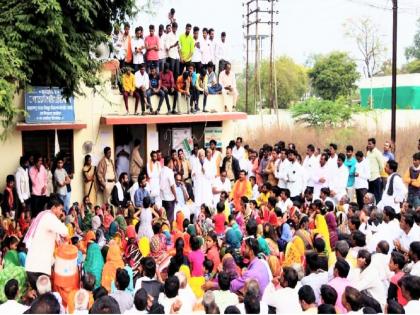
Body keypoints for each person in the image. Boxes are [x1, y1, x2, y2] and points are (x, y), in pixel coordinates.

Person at [24, 196, 68, 289]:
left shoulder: (43, 216)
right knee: (44, 300)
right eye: (60, 209)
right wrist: (62, 220)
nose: (61, 213)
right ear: (54, 208)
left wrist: (54, 263)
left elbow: (46, 245)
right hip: (38, 269)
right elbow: (64, 231)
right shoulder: (49, 217)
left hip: (33, 267)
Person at [367, 138, 384, 204]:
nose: (368, 145)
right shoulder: (368, 152)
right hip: (369, 178)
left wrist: (376, 172)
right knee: (370, 197)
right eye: (368, 144)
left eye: (370, 144)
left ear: (374, 144)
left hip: (376, 178)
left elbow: (382, 166)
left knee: (377, 197)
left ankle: (378, 211)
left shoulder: (378, 153)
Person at [160, 156, 177, 224]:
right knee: (170, 219)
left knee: (164, 218)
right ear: (170, 163)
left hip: (163, 198)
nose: (172, 164)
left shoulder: (161, 170)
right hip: (169, 198)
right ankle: (169, 233)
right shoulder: (170, 171)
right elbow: (172, 186)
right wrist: (176, 197)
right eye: (172, 162)